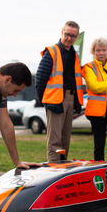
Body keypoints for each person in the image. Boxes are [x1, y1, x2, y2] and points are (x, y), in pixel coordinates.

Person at [36, 20, 84, 162]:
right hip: (55, 99)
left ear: (77, 37)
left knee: (65, 139)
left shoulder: (74, 55)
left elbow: (75, 80)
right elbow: (40, 79)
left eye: (73, 36)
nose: (69, 38)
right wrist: (43, 100)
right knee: (55, 140)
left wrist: (75, 102)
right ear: (61, 32)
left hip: (70, 97)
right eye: (67, 34)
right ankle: (53, 170)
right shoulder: (51, 52)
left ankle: (63, 169)